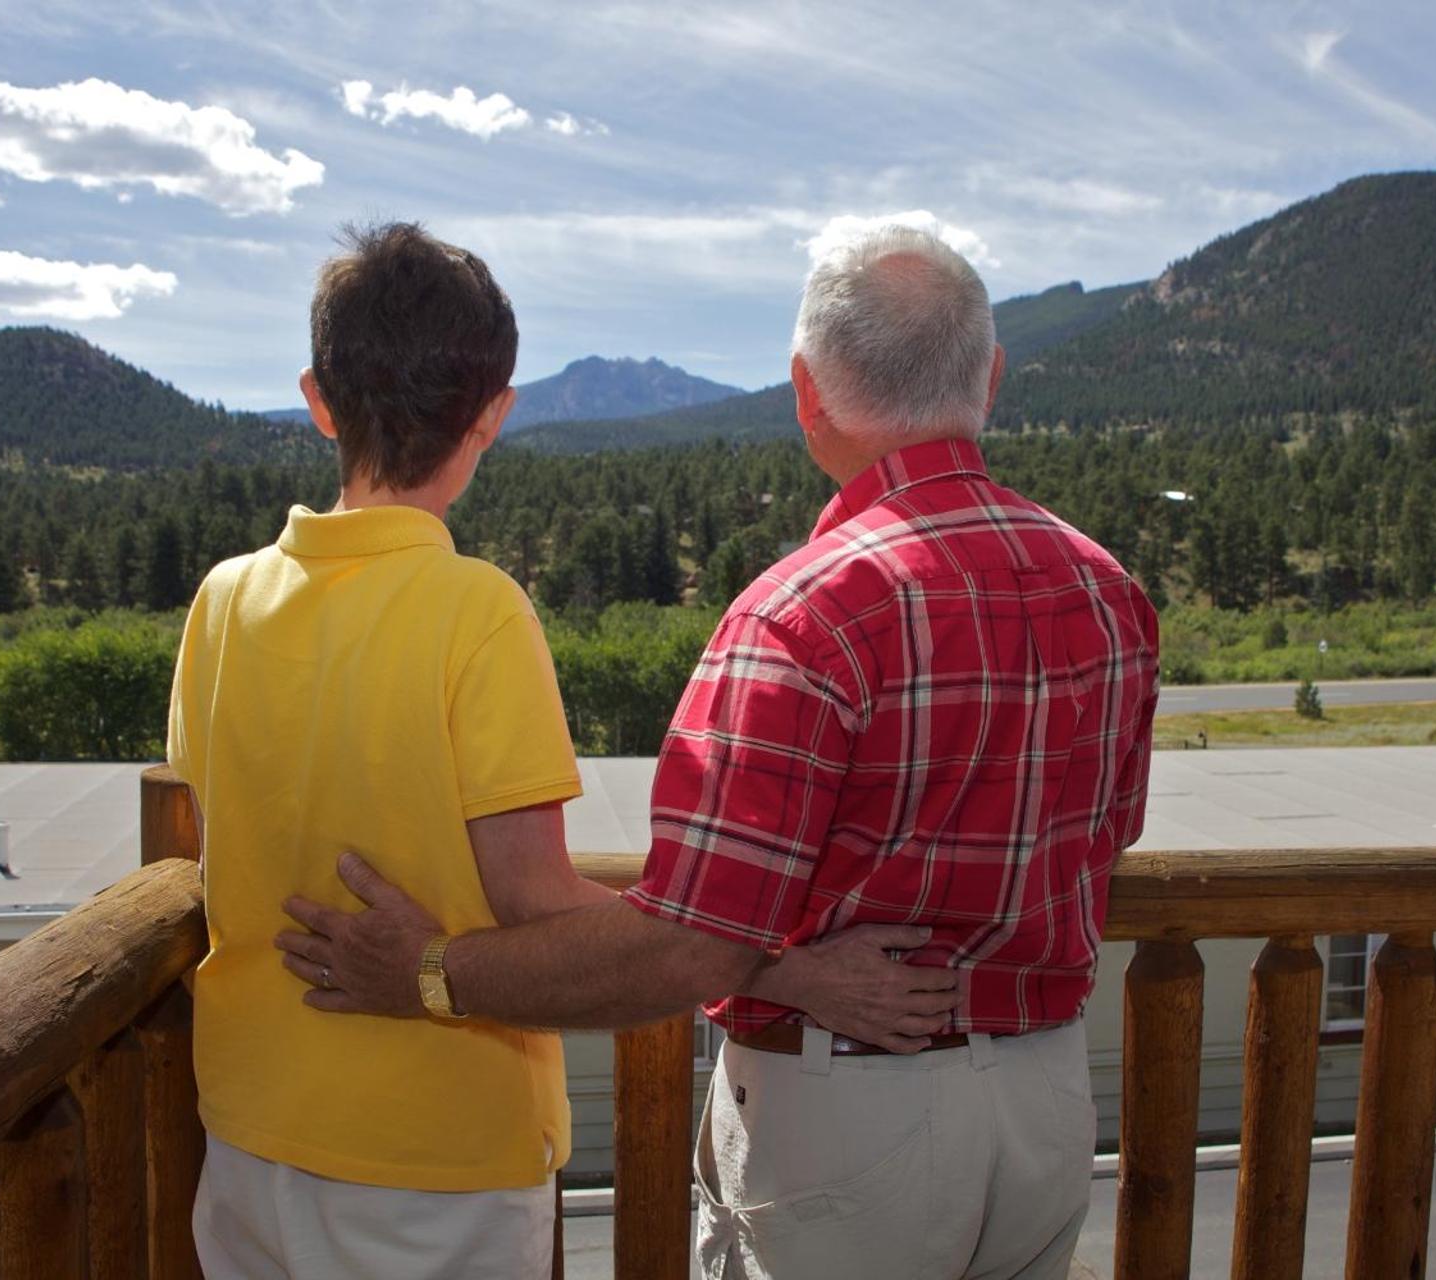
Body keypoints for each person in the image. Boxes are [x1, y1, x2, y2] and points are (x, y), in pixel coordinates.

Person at [277, 222, 1160, 1279]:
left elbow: (689, 942)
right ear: (992, 378)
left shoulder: (805, 615)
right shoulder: (1108, 590)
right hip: (1048, 1102)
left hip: (850, 1124)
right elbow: (1103, 844)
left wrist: (427, 969)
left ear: (805, 392)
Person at [168, 221, 949, 1280]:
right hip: (432, 1151)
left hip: (250, 1135)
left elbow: (224, 841)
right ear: (495, 414)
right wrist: (788, 967)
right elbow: (532, 894)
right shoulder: (475, 610)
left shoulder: (224, 598)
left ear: (317, 397)